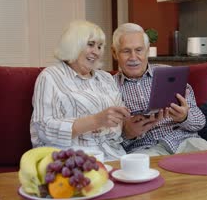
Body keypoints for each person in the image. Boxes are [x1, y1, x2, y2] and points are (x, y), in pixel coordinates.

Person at [30, 20, 131, 161]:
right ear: (73, 44)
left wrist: (130, 124)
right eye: (90, 44)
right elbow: (43, 128)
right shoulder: (50, 76)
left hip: (113, 154)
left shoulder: (106, 78)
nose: (96, 52)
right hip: (70, 157)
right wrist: (95, 121)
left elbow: (118, 125)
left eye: (100, 46)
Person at [111, 23, 207, 156]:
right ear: (114, 53)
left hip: (185, 142)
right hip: (144, 150)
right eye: (126, 51)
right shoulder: (108, 87)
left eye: (139, 50)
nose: (133, 57)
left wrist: (184, 117)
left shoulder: (170, 74)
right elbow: (106, 141)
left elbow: (200, 122)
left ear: (147, 50)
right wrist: (127, 133)